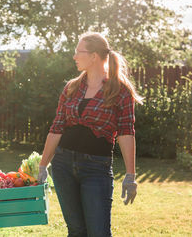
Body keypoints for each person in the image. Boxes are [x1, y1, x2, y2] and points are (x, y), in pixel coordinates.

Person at [38, 32, 143, 237]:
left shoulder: (119, 90)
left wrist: (130, 175)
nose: (75, 56)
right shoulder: (72, 87)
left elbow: (126, 132)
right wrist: (43, 165)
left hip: (96, 168)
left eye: (79, 52)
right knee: (76, 231)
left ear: (94, 56)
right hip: (63, 165)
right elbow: (57, 127)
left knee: (99, 232)